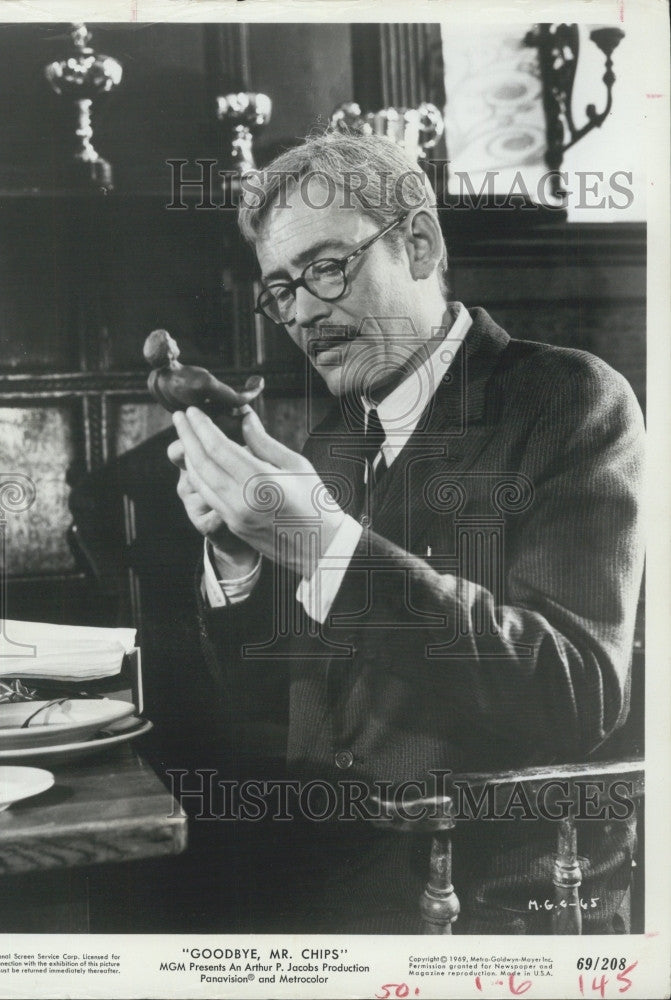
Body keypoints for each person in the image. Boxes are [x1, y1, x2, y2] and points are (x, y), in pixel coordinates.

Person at [155, 131, 646, 934]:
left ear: (417, 243)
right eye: (280, 290)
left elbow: (577, 692)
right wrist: (240, 553)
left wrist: (319, 545)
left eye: (324, 268)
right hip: (326, 880)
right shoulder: (337, 437)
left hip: (485, 905)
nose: (303, 312)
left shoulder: (568, 399)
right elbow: (261, 701)